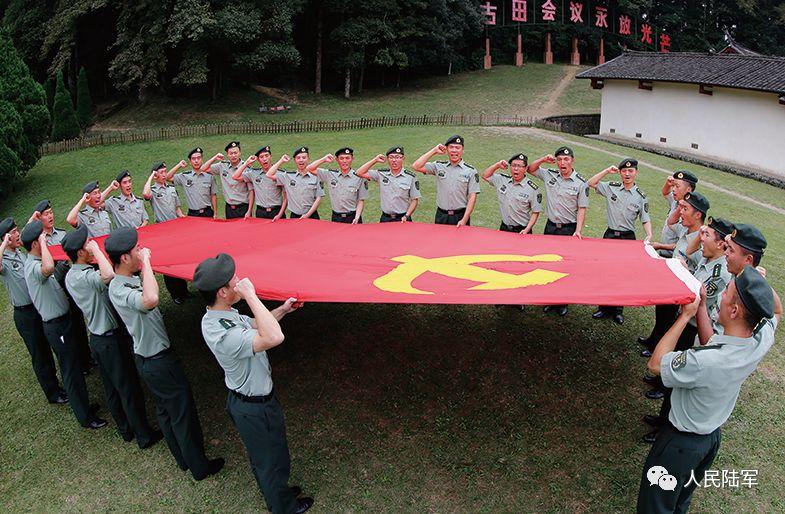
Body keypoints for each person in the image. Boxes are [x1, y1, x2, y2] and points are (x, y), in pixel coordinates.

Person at [637, 266, 779, 513]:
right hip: (708, 441)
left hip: (679, 444)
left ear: (734, 311)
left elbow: (656, 364)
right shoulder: (758, 339)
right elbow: (776, 309)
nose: (721, 294)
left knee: (656, 506)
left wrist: (685, 316)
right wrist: (703, 307)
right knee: (679, 499)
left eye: (727, 293)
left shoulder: (706, 362)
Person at [194, 253, 314, 514]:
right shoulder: (223, 333)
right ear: (224, 291)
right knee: (268, 460)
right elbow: (273, 336)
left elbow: (257, 324)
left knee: (272, 455)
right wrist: (251, 294)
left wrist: (283, 308)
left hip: (256, 403)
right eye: (234, 279)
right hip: (253, 407)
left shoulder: (221, 315)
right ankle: (282, 507)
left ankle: (277, 491)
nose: (239, 280)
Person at [106, 227, 223, 480]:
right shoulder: (120, 288)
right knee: (182, 413)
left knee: (165, 412)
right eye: (136, 250)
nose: (140, 252)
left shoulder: (121, 282)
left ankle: (182, 459)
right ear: (125, 258)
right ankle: (199, 466)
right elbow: (150, 300)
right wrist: (147, 262)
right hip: (158, 361)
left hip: (148, 358)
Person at [62, 225, 161, 448]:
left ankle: (125, 429)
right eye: (87, 245)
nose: (90, 247)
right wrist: (97, 250)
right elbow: (109, 275)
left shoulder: (70, 276)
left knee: (112, 387)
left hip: (97, 338)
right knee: (128, 387)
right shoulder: (87, 276)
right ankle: (143, 435)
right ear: (80, 252)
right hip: (110, 339)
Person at [642, 217, 734, 444]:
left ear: (722, 244)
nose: (700, 238)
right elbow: (686, 252)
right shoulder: (708, 258)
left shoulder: (718, 274)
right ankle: (661, 418)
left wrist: (682, 271)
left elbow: (695, 296)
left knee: (677, 383)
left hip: (694, 331)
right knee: (672, 378)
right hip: (687, 324)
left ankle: (664, 427)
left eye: (707, 235)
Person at [20, 220, 106, 429]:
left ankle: (84, 406)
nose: (46, 240)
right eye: (42, 238)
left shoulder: (36, 262)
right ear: (34, 243)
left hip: (63, 321)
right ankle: (84, 416)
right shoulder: (33, 266)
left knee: (74, 364)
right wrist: (43, 241)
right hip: (56, 325)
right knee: (70, 370)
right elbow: (49, 267)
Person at [1, 218, 65, 404]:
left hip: (38, 307)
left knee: (48, 346)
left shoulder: (20, 253)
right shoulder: (4, 260)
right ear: (4, 238)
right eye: (12, 232)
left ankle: (58, 385)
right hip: (25, 314)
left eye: (16, 230)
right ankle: (53, 393)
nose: (17, 234)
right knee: (40, 353)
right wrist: (4, 244)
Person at [641, 191, 711, 362]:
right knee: (662, 314)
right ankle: (653, 340)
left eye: (685, 209)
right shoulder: (686, 228)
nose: (680, 211)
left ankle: (657, 347)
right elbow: (672, 223)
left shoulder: (701, 242)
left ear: (698, 215)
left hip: (680, 292)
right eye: (681, 207)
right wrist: (680, 206)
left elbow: (698, 270)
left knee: (669, 322)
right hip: (670, 282)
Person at [587, 158, 652, 325]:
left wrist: (649, 234)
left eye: (631, 171)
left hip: (627, 238)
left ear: (636, 172)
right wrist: (607, 171)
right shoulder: (611, 187)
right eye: (624, 171)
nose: (627, 174)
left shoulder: (640, 197)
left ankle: (618, 310)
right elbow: (591, 182)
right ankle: (603, 307)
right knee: (606, 272)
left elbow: (645, 218)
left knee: (622, 274)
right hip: (610, 236)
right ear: (620, 172)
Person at [527, 146, 590, 317]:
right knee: (548, 264)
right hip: (551, 227)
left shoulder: (581, 183)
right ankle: (549, 299)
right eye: (559, 159)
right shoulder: (550, 174)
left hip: (568, 229)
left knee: (564, 267)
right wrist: (542, 159)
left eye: (566, 159)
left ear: (572, 161)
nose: (563, 163)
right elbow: (530, 169)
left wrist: (578, 230)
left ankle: (562, 302)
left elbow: (582, 209)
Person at [143, 161, 191, 304]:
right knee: (168, 263)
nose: (164, 175)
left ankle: (184, 291)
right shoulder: (153, 190)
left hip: (176, 230)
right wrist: (151, 176)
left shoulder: (171, 189)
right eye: (161, 172)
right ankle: (175, 294)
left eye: (165, 172)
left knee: (178, 259)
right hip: (162, 231)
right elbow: (145, 194)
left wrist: (185, 218)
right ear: (156, 174)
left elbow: (178, 210)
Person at [411, 135, 480, 226]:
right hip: (441, 215)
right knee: (439, 240)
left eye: (457, 148)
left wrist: (464, 219)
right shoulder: (438, 166)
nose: (454, 150)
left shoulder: (471, 171)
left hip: (460, 216)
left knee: (460, 241)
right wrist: (434, 151)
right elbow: (416, 166)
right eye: (451, 147)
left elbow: (472, 198)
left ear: (462, 150)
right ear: (447, 149)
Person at [355, 146, 420, 222]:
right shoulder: (381, 174)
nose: (394, 160)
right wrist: (375, 160)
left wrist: (407, 215)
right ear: (387, 159)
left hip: (403, 218)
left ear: (403, 158)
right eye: (391, 157)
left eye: (398, 157)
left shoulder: (410, 177)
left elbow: (415, 200)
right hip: (385, 218)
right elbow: (359, 172)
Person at [481, 153, 542, 234]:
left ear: (525, 168)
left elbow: (535, 212)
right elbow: (485, 176)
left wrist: (527, 229)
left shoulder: (533, 189)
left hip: (522, 230)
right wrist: (497, 165)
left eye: (519, 166)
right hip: (504, 227)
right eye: (513, 165)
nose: (515, 169)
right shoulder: (502, 180)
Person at [306, 147, 368, 224]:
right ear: (337, 160)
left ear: (352, 159)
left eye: (347, 158)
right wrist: (324, 159)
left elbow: (361, 200)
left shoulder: (359, 177)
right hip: (336, 217)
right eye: (341, 158)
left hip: (353, 217)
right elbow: (309, 168)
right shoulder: (330, 175)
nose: (344, 161)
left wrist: (357, 217)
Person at [650, 171, 698, 258]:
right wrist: (668, 184)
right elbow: (665, 193)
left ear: (688, 190)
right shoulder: (676, 201)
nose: (673, 189)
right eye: (673, 186)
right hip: (662, 252)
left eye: (677, 186)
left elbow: (683, 245)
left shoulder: (690, 214)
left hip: (675, 257)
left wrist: (661, 246)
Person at [266, 147, 323, 219]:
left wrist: (307, 215)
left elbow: (318, 198)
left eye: (304, 157)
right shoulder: (288, 176)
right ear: (295, 160)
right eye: (298, 158)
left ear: (308, 159)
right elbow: (269, 174)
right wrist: (281, 161)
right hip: (294, 216)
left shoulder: (316, 176)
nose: (301, 160)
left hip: (312, 215)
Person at [232, 146, 287, 220]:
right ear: (258, 160)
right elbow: (235, 177)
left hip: (276, 211)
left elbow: (286, 197)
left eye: (266, 156)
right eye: (261, 157)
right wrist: (246, 163)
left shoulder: (280, 174)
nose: (264, 159)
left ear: (271, 156)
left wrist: (280, 214)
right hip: (260, 212)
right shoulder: (254, 173)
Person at [202, 141, 254, 219]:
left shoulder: (246, 168)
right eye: (231, 153)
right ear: (227, 154)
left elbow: (251, 191)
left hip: (243, 208)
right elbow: (203, 169)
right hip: (229, 208)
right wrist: (215, 158)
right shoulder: (222, 165)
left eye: (235, 153)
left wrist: (249, 210)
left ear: (240, 153)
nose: (233, 155)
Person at [168, 148, 218, 218]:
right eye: (193, 159)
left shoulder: (209, 176)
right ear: (190, 161)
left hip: (208, 212)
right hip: (192, 214)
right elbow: (168, 177)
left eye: (198, 158)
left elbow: (213, 195)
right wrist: (179, 165)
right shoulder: (184, 176)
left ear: (202, 159)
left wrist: (215, 213)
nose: (196, 161)